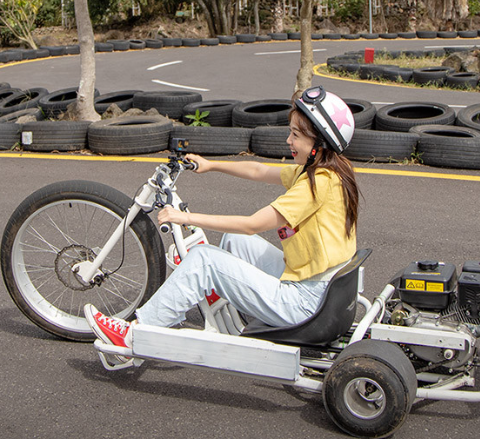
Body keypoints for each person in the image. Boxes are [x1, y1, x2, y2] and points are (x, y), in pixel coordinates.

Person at [84, 85, 359, 353]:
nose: (288, 140)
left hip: (307, 304)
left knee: (204, 259)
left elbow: (252, 224)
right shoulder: (326, 171)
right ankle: (219, 293)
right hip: (322, 291)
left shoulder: (315, 185)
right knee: (235, 240)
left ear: (319, 143)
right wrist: (212, 165)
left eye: (296, 135)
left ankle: (133, 335)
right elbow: (259, 171)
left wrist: (185, 217)